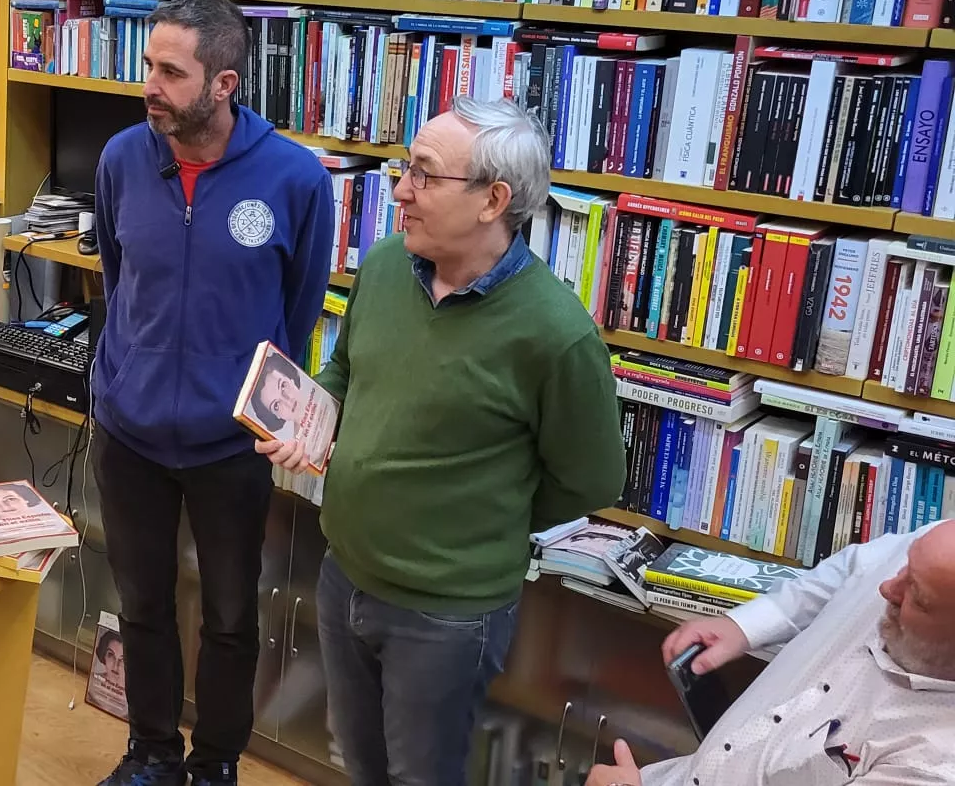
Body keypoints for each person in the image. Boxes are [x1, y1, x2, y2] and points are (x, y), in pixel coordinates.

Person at [260, 97, 626, 786]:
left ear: (493, 200)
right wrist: (312, 417)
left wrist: (478, 521)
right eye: (405, 168)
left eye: (424, 174)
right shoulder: (390, 263)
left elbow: (590, 479)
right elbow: (348, 365)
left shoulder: (556, 334)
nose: (400, 189)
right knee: (363, 766)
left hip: (446, 613)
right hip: (346, 573)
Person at [90, 0, 333, 786]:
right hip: (128, 434)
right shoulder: (123, 158)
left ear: (224, 83)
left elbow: (294, 318)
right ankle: (152, 753)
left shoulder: (295, 178)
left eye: (170, 71)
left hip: (230, 445)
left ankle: (215, 762)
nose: (150, 84)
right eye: (148, 65)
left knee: (232, 616)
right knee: (143, 605)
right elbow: (121, 281)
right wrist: (127, 377)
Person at [586, 521, 955, 786]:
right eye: (903, 564)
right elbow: (855, 568)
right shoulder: (935, 556)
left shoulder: (932, 765)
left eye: (917, 599)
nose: (888, 586)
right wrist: (749, 624)